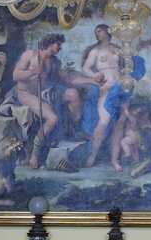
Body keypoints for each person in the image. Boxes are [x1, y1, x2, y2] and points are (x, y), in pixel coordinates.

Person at [10, 33, 98, 168]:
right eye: (58, 45)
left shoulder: (54, 62)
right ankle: (35, 153)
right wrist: (33, 72)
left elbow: (70, 79)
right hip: (27, 94)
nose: (60, 48)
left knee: (73, 93)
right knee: (53, 119)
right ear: (50, 44)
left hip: (47, 92)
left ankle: (77, 130)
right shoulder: (30, 55)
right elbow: (15, 75)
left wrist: (92, 81)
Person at [81, 24, 143, 171]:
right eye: (96, 31)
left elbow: (131, 65)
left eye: (100, 30)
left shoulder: (119, 48)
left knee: (119, 124)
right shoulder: (95, 51)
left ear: (108, 31)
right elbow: (85, 68)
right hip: (105, 89)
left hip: (121, 89)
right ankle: (92, 155)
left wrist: (127, 57)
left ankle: (114, 159)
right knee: (103, 122)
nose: (97, 33)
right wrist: (94, 74)